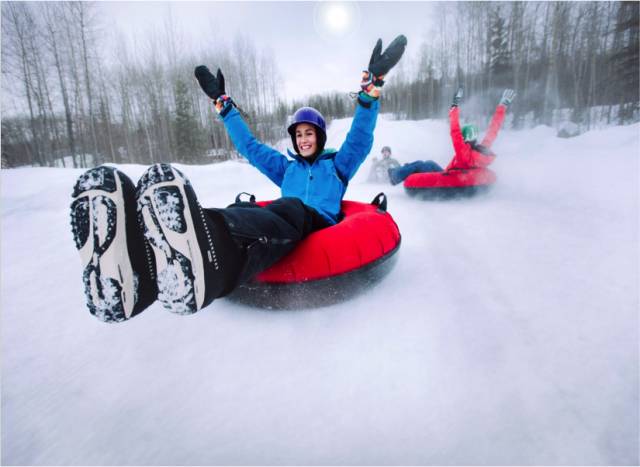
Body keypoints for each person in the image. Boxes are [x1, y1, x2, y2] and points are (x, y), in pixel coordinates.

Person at [69, 35, 407, 322]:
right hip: (284, 220)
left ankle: (202, 244)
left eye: (310, 133)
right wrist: (223, 105)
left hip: (314, 222)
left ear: (319, 136)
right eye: (298, 134)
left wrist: (369, 92)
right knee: (254, 212)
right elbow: (250, 146)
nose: (303, 139)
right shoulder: (286, 168)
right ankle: (138, 267)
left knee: (288, 207)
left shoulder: (337, 166)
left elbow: (361, 137)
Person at [387, 87, 516, 185]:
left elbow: (455, 130)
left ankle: (395, 176)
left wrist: (454, 105)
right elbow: (493, 131)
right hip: (454, 173)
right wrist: (502, 107)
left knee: (421, 164)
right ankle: (402, 170)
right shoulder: (481, 151)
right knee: (429, 163)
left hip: (450, 175)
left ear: (465, 138)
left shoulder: (463, 151)